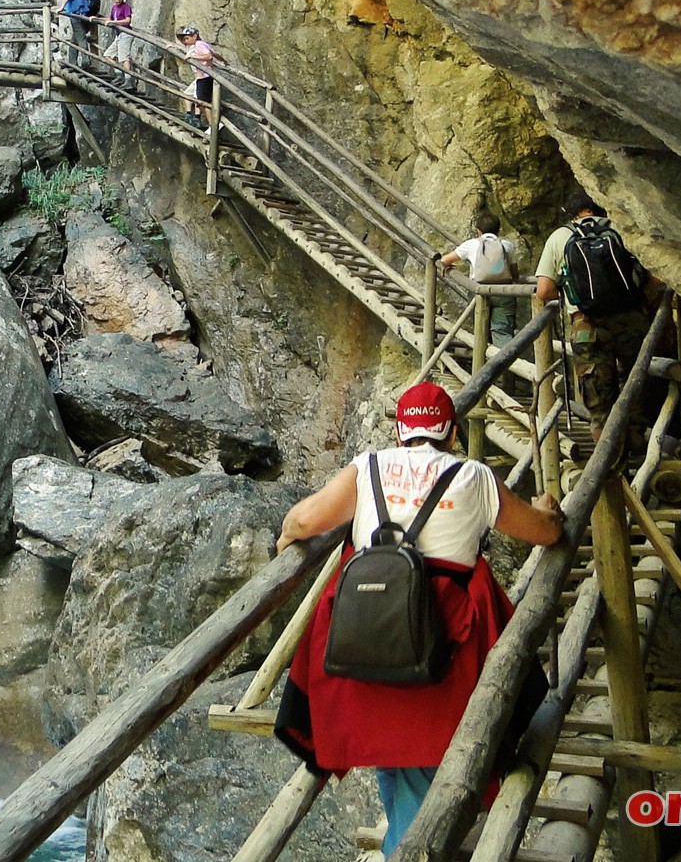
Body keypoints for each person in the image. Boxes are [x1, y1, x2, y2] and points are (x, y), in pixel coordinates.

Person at [273, 382, 562, 855]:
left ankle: (401, 841)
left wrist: (287, 537)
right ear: (452, 435)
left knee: (396, 758)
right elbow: (543, 533)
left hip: (364, 646)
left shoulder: (370, 467)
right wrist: (549, 511)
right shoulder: (474, 477)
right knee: (421, 762)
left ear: (399, 431)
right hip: (440, 655)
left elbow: (304, 521)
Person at [533, 191, 655, 426]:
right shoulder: (622, 230)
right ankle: (637, 448)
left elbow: (544, 290)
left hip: (587, 326)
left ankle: (607, 459)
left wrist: (569, 290)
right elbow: (656, 279)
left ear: (571, 215)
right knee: (636, 387)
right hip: (631, 320)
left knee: (599, 404)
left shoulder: (561, 236)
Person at [440, 213, 520, 348]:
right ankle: (506, 365)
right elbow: (515, 274)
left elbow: (444, 260)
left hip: (479, 292)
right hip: (504, 292)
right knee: (503, 331)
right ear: (499, 230)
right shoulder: (507, 245)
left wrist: (448, 267)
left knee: (481, 330)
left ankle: (482, 362)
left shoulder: (472, 244)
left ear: (478, 230)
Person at [176, 26, 217, 129]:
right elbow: (213, 53)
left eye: (186, 38)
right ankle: (192, 115)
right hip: (200, 76)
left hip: (203, 76)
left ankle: (209, 124)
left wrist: (192, 57)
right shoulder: (194, 45)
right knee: (194, 97)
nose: (184, 41)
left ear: (194, 36)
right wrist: (224, 61)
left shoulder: (198, 45)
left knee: (201, 100)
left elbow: (209, 56)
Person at [58, 0, 92, 67]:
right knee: (74, 40)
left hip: (76, 16)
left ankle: (86, 61)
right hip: (84, 15)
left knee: (81, 38)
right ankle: (72, 62)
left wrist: (61, 7)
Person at [106, 0, 138, 87]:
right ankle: (119, 74)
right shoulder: (114, 8)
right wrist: (97, 17)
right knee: (107, 55)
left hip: (125, 34)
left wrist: (115, 22)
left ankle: (128, 81)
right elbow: (110, 18)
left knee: (124, 58)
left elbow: (128, 20)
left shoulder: (126, 7)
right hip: (119, 36)